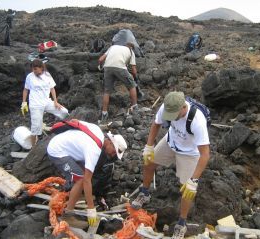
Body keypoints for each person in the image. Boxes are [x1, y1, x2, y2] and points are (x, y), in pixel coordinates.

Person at [131, 91, 210, 239]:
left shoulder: (197, 121)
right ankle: (145, 193)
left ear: (183, 108)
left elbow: (205, 154)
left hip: (190, 153)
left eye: (174, 114)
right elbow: (156, 124)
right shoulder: (166, 107)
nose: (171, 117)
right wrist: (149, 146)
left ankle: (181, 223)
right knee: (148, 162)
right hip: (170, 142)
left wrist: (194, 180)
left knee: (187, 189)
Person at [47, 120, 127, 227]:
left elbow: (76, 121)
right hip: (57, 150)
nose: (113, 155)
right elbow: (86, 180)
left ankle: (74, 194)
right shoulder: (94, 151)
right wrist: (91, 208)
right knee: (80, 179)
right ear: (110, 142)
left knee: (83, 173)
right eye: (114, 151)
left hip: (65, 144)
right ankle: (68, 215)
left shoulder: (98, 131)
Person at [21, 59, 69, 147]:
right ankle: (33, 147)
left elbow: (52, 89)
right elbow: (26, 89)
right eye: (32, 69)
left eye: (35, 69)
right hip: (35, 105)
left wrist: (55, 102)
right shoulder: (30, 77)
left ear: (41, 68)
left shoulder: (47, 75)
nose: (33, 71)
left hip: (47, 101)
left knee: (64, 112)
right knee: (35, 129)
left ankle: (65, 131)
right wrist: (24, 102)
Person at [98, 43, 138, 122]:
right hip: (120, 67)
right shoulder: (130, 51)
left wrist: (100, 67)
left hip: (107, 67)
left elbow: (100, 59)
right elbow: (133, 70)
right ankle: (134, 106)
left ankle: (104, 113)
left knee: (107, 91)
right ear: (131, 47)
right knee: (132, 85)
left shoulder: (113, 47)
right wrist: (134, 77)